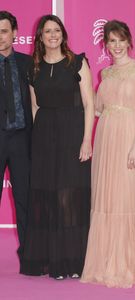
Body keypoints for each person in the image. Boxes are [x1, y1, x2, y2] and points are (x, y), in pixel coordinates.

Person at [81, 20, 135, 288]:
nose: (116, 46)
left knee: (127, 196)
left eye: (120, 40)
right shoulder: (105, 74)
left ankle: (131, 260)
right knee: (107, 196)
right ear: (105, 44)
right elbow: (96, 109)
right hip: (106, 136)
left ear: (129, 42)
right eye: (111, 41)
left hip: (129, 135)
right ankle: (107, 259)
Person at [20, 15, 94, 279]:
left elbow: (89, 105)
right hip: (44, 136)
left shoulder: (77, 62)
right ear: (40, 37)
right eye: (47, 31)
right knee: (47, 198)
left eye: (57, 30)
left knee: (69, 198)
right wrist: (35, 141)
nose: (53, 35)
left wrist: (87, 140)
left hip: (73, 134)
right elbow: (34, 106)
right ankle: (51, 261)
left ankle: (73, 261)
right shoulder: (33, 68)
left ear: (63, 34)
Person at [0, 11, 32, 266]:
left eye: (4, 31)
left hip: (22, 139)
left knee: (25, 199)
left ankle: (29, 255)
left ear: (14, 34)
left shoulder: (28, 63)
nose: (0, 37)